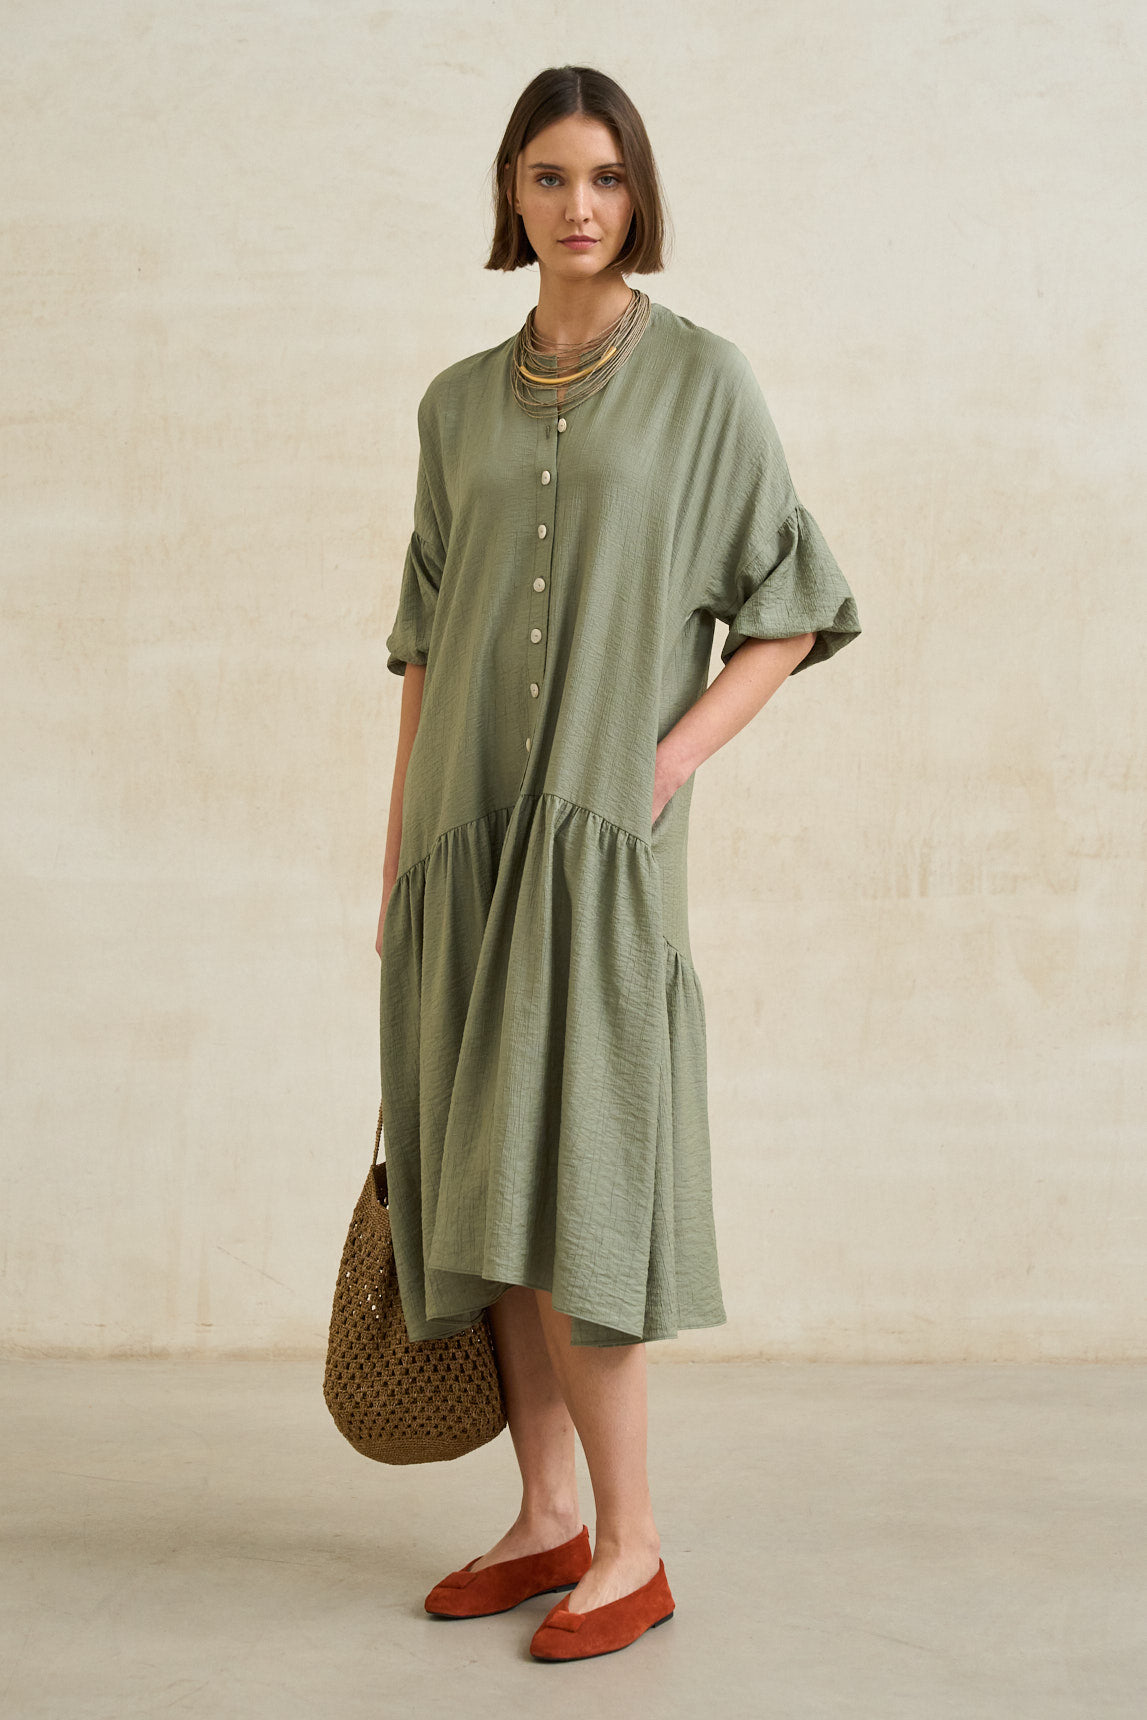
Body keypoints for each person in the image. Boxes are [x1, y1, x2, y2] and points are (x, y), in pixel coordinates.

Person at [375, 64, 861, 1662]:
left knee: (579, 1186)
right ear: (509, 196)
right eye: (548, 178)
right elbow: (425, 641)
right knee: (484, 1196)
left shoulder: (705, 382)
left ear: (637, 192)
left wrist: (666, 759)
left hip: (596, 853)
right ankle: (546, 1517)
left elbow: (791, 608)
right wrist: (399, 856)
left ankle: (634, 1546)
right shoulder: (455, 404)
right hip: (463, 844)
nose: (578, 206)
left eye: (604, 177)